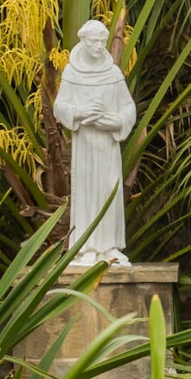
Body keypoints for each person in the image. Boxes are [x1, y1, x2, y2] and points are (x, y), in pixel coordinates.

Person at [52, 18, 137, 265]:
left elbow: (128, 108)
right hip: (86, 146)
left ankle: (109, 247)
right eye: (94, 41)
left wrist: (114, 122)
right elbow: (60, 106)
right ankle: (86, 247)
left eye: (102, 40)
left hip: (108, 147)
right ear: (83, 41)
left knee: (109, 190)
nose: (99, 45)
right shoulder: (71, 72)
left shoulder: (112, 73)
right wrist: (81, 112)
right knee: (88, 193)